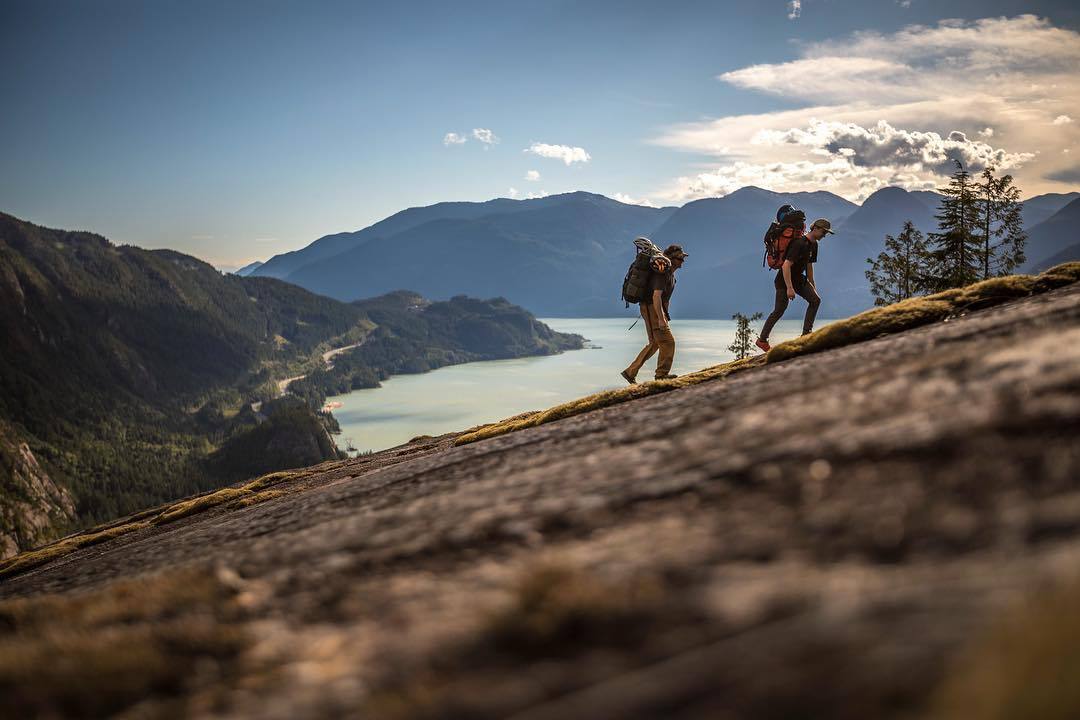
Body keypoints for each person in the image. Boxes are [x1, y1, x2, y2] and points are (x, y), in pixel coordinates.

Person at [755, 218, 833, 352]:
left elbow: (809, 265)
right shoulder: (799, 243)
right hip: (783, 281)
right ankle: (762, 340)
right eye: (824, 232)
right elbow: (786, 266)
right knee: (779, 310)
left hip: (798, 279)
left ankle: (806, 334)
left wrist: (811, 283)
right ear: (816, 229)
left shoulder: (814, 245)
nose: (825, 235)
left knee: (815, 300)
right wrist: (789, 288)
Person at [621, 244, 689, 383]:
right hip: (651, 308)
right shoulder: (663, 272)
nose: (683, 260)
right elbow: (656, 296)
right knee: (668, 342)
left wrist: (665, 315)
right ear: (672, 258)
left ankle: (630, 372)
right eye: (680, 258)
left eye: (683, 258)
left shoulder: (670, 274)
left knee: (654, 343)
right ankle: (661, 375)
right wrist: (661, 318)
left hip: (651, 308)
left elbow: (665, 299)